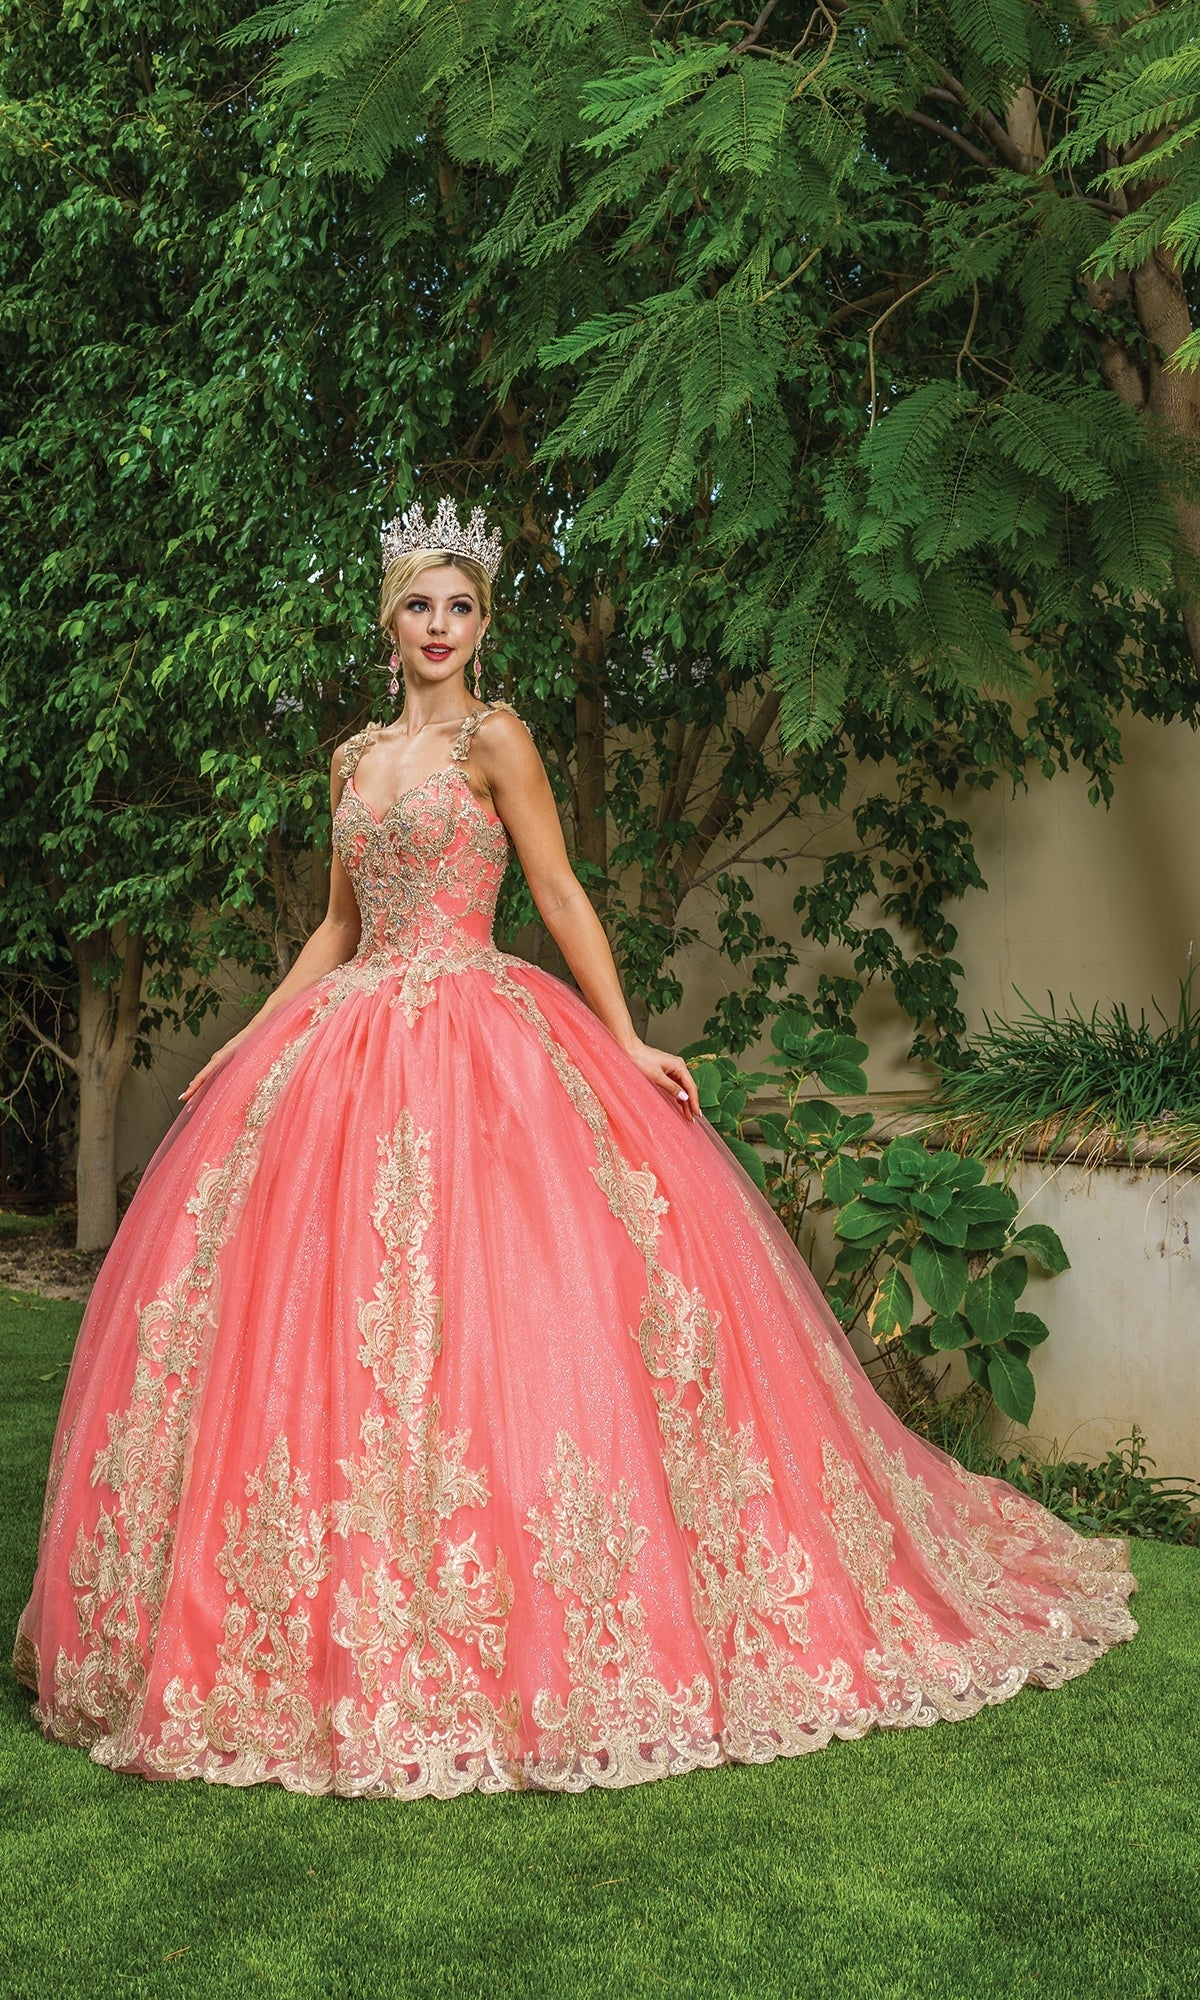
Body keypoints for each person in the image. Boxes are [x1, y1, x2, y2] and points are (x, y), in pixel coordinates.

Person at [13, 499, 1135, 1800]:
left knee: (509, 1320)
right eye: (420, 604)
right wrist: (241, 1043)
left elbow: (556, 892)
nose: (440, 626)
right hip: (348, 1048)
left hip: (484, 1043)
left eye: (462, 606)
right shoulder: (351, 758)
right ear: (390, 621)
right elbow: (334, 930)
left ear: (485, 624)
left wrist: (632, 1037)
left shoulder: (499, 741)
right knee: (329, 1331)